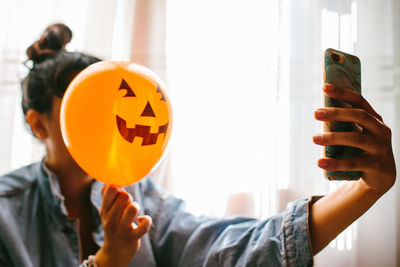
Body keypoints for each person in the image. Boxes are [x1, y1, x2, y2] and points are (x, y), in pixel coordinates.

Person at [0, 23, 395, 267]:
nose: (111, 112)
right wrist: (106, 263)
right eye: (84, 99)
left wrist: (366, 189)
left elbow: (231, 250)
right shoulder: (5, 215)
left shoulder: (141, 198)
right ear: (39, 124)